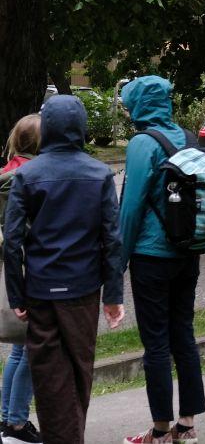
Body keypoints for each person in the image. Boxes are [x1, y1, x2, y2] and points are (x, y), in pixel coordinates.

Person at [4, 99, 124, 444]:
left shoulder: (27, 174)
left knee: (48, 378)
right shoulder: (100, 174)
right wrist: (113, 295)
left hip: (40, 290)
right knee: (79, 371)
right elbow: (112, 239)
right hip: (84, 290)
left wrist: (17, 293)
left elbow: (12, 241)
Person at [118, 76, 205, 444]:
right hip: (188, 251)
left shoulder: (143, 143)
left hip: (151, 256)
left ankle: (158, 429)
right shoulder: (186, 137)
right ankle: (186, 425)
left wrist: (115, 264)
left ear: (140, 106)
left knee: (155, 342)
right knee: (183, 333)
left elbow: (131, 208)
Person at [0, 116, 41, 444]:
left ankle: (6, 417)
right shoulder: (26, 176)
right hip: (29, 268)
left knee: (18, 349)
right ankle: (16, 421)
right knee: (30, 349)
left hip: (13, 267)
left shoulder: (8, 170)